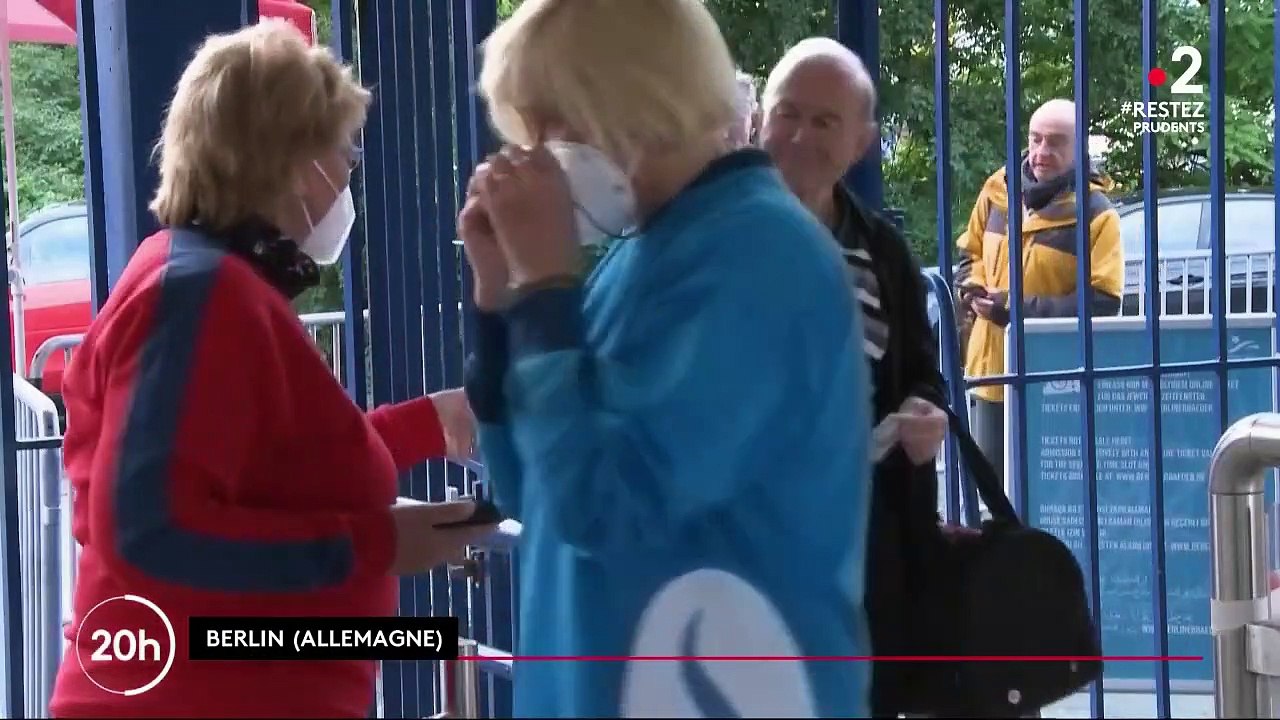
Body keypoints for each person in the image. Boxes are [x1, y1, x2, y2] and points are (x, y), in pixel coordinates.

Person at [49, 20, 496, 718]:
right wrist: (372, 545)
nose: (349, 169)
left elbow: (276, 468)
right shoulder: (201, 296)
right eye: (343, 147)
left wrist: (427, 424)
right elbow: (149, 529)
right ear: (289, 159)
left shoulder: (204, 281)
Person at [458, 1, 873, 717]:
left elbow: (606, 508)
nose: (538, 156)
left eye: (554, 123)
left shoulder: (759, 257)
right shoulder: (646, 251)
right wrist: (504, 308)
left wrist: (546, 294)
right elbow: (537, 493)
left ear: (637, 103)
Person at [759, 37, 949, 717]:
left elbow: (922, 374)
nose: (800, 135)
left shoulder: (882, 250)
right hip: (748, 550)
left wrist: (925, 413)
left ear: (861, 142)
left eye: (825, 121)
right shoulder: (715, 242)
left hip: (861, 554)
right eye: (787, 113)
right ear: (758, 119)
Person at [955, 98, 1123, 478]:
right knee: (990, 486)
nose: (1042, 151)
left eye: (1056, 142)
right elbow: (970, 252)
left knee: (1049, 488)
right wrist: (973, 287)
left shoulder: (1097, 214)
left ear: (1079, 149)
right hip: (991, 370)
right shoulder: (997, 190)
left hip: (1054, 378)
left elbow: (1103, 301)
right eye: (1036, 139)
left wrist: (1016, 310)